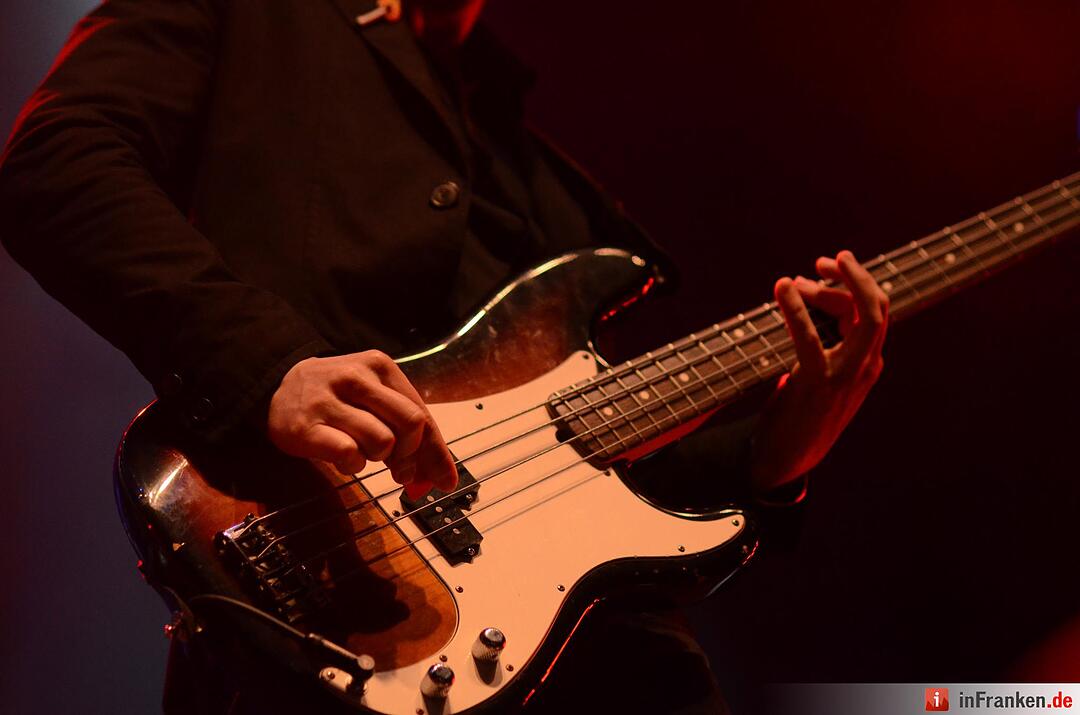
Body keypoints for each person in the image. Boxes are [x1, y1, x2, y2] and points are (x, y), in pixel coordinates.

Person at [0, 0, 888, 712]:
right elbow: (56, 162)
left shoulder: (537, 164)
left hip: (616, 667)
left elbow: (588, 477)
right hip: (329, 618)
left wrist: (772, 454)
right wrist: (267, 366)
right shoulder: (257, 16)